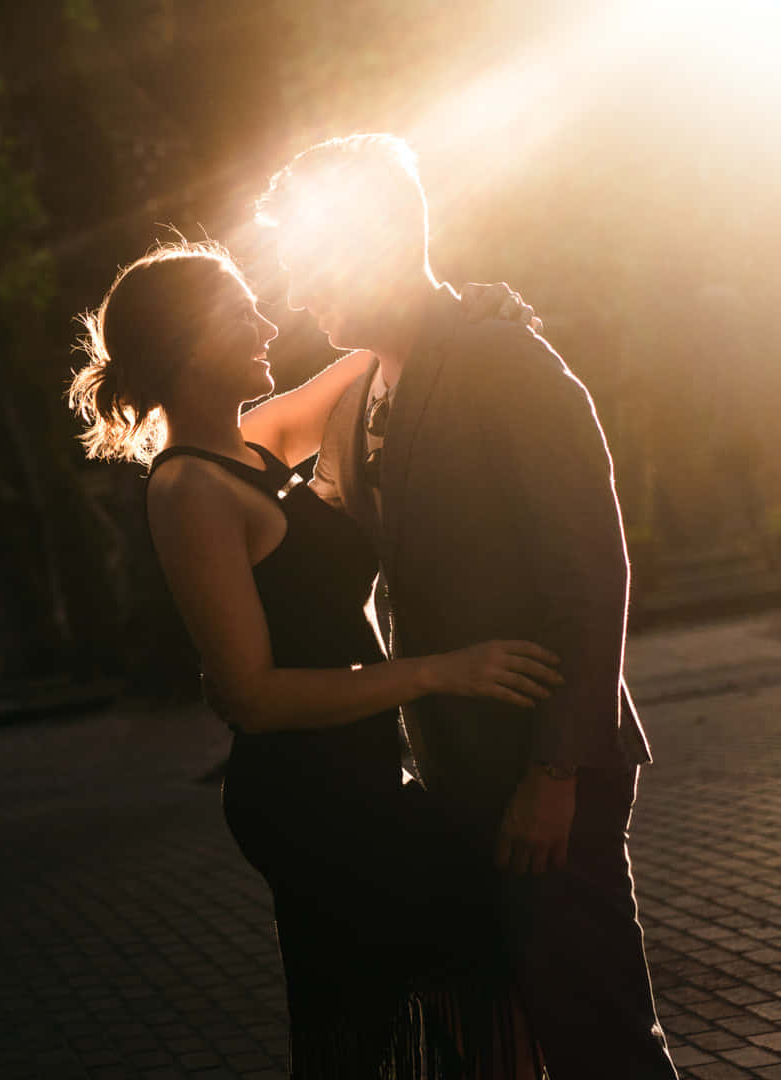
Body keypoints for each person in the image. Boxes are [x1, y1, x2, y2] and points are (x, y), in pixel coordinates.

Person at [71, 240, 552, 1076]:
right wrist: (442, 669)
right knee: (371, 1022)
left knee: (393, 1016)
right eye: (239, 312)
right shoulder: (188, 489)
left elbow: (384, 352)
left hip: (361, 778)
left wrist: (474, 307)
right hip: (309, 800)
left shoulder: (255, 443)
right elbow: (253, 698)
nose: (267, 322)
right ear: (188, 341)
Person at [256, 133, 674, 1079]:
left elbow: (588, 571)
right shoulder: (357, 387)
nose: (300, 291)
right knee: (507, 1037)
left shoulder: (503, 359)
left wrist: (556, 769)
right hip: (450, 771)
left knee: (599, 1034)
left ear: (388, 235)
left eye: (314, 260)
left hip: (545, 765)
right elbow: (224, 446)